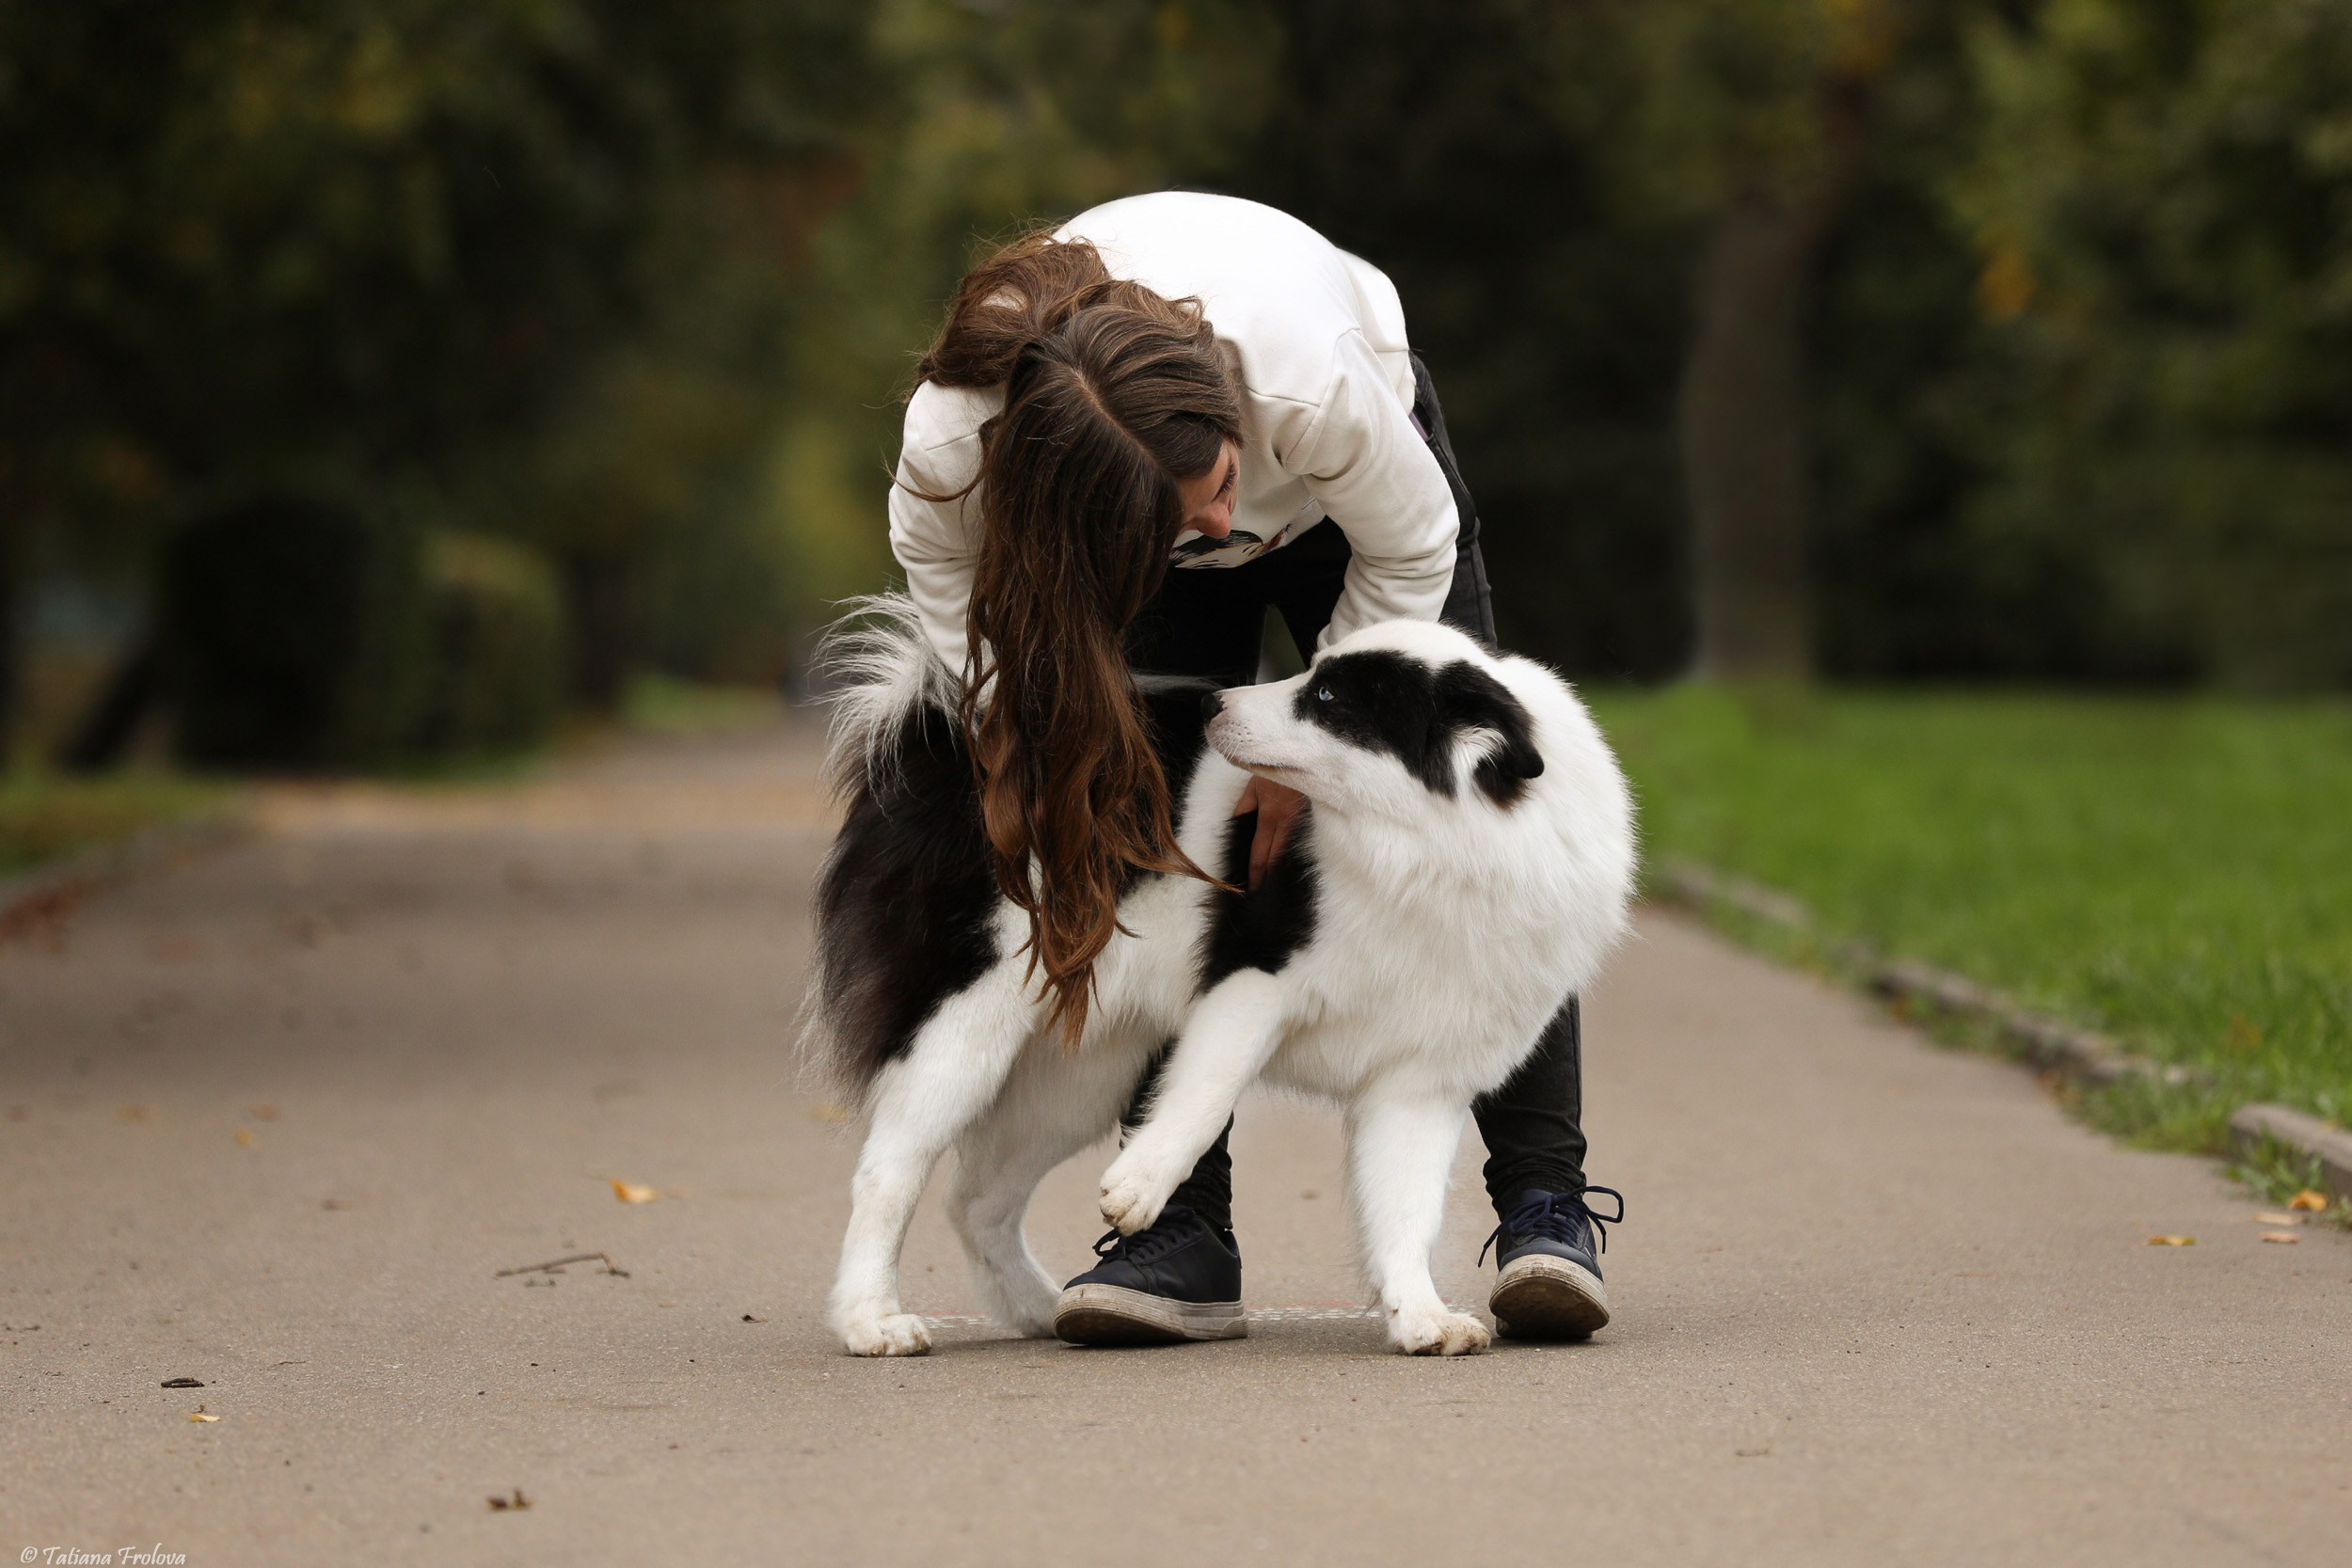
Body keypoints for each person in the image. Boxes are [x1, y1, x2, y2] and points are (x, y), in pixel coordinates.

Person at [889, 191, 1622, 1345]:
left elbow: (1414, 539)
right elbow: (934, 560)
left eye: (1225, 485)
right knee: (1145, 824)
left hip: (1366, 520)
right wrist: (1006, 728)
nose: (1228, 524)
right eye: (1197, 521)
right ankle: (1176, 1229)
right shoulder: (956, 434)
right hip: (1137, 518)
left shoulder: (1309, 382)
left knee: (1491, 827)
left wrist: (1307, 753)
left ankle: (1543, 1201)